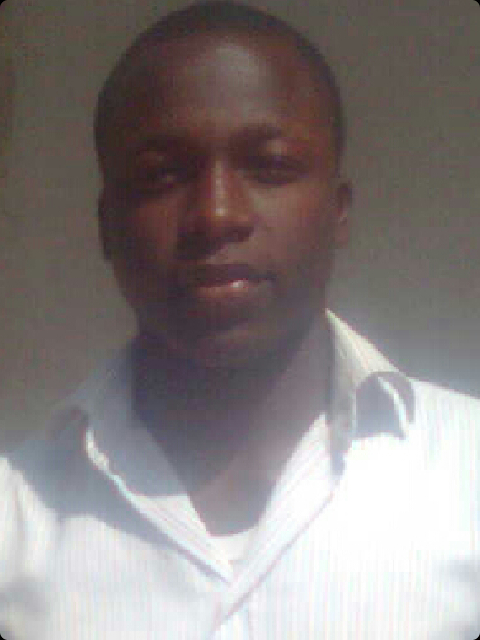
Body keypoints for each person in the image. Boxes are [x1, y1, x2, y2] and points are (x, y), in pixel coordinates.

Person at [0, 2, 479, 638]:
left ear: (337, 212)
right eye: (162, 175)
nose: (216, 214)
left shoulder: (467, 475)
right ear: (106, 227)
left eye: (270, 167)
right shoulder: (15, 520)